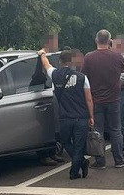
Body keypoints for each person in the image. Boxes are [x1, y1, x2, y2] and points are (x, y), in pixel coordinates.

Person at [38, 48, 94, 180]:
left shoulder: (55, 74)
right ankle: (77, 168)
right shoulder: (82, 77)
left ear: (60, 61)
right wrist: (91, 116)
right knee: (79, 145)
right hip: (81, 116)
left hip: (65, 117)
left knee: (65, 141)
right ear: (72, 61)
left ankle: (77, 168)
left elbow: (46, 65)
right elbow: (89, 99)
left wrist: (42, 54)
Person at [83, 30, 124, 169]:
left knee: (98, 131)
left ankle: (100, 161)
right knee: (116, 130)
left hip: (96, 100)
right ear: (110, 41)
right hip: (114, 99)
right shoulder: (117, 56)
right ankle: (119, 160)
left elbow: (84, 75)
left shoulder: (89, 57)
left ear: (96, 40)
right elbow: (123, 69)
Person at [33, 33, 65, 166]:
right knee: (46, 127)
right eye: (54, 42)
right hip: (41, 95)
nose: (56, 44)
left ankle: (52, 152)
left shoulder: (51, 56)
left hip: (52, 94)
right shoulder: (39, 57)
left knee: (54, 127)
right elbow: (40, 74)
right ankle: (45, 155)